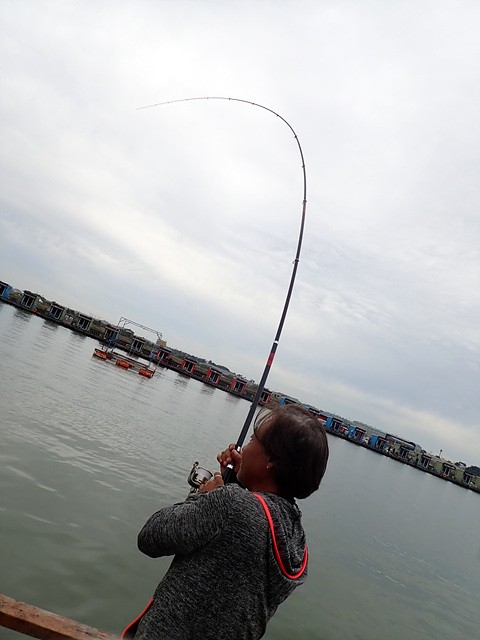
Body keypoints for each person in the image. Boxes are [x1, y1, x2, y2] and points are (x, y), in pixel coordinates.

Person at [123, 404, 329, 640]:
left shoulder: (230, 504)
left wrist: (203, 495)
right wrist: (241, 483)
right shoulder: (295, 536)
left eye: (253, 440)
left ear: (271, 460)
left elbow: (151, 537)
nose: (243, 448)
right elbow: (240, 547)